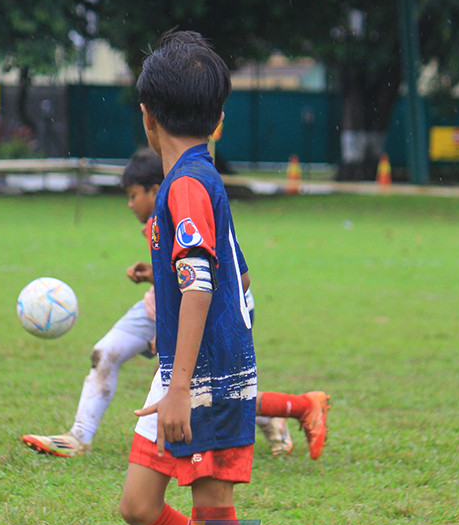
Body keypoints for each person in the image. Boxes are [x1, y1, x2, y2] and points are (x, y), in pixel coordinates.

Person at [117, 31, 301, 525]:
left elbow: (199, 283)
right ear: (219, 120)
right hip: (188, 371)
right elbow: (233, 279)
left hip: (204, 379)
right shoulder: (192, 181)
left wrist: (179, 388)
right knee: (140, 506)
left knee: (214, 515)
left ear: (147, 117)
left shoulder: (190, 184)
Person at [20, 149, 330, 461]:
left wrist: (169, 337)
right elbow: (180, 274)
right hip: (162, 305)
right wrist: (153, 276)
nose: (129, 205)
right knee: (105, 352)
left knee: (204, 393)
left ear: (155, 190)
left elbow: (213, 280)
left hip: (210, 311)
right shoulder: (154, 220)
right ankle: (78, 437)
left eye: (132, 196)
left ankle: (292, 408)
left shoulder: (187, 205)